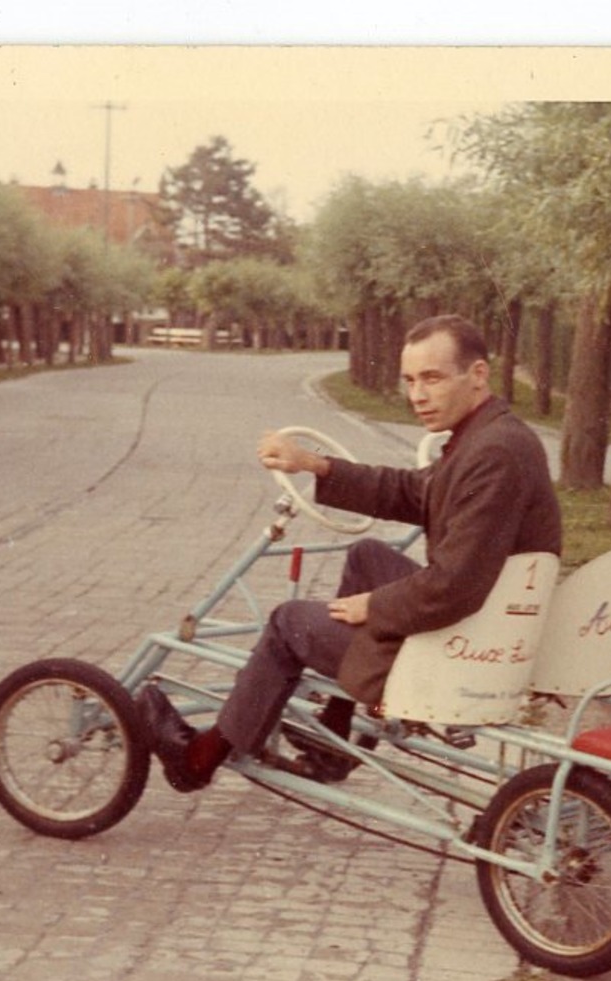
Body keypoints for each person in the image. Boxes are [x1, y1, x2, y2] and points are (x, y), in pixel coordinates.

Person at [136, 314, 564, 791]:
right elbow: (412, 491)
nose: (417, 395)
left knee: (287, 622)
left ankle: (200, 758)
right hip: (480, 622)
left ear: (478, 375)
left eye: (433, 378)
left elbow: (454, 586)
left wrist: (373, 606)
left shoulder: (494, 453)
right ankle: (332, 736)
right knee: (367, 556)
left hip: (460, 645)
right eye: (409, 380)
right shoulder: (488, 436)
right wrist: (316, 465)